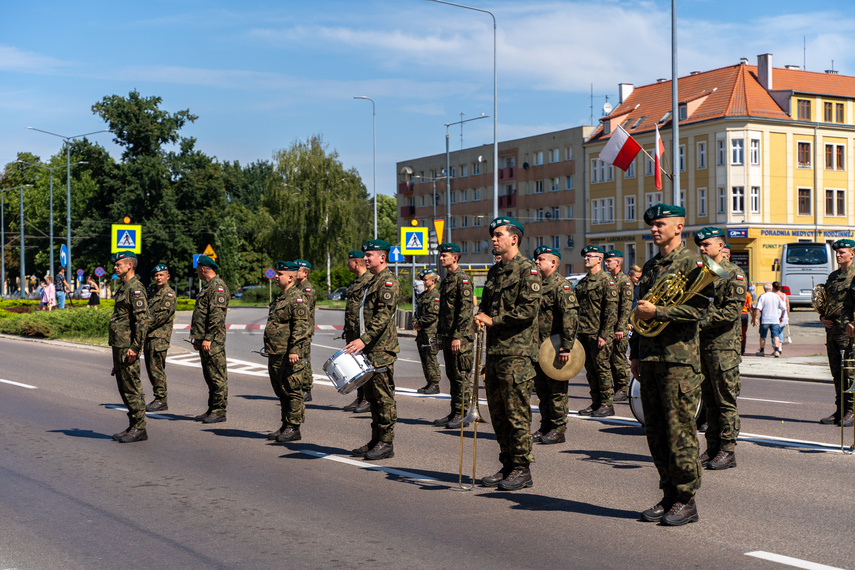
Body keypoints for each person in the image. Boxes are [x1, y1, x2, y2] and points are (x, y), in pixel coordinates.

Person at [630, 204, 710, 526]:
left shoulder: (692, 263)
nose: (654, 229)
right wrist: (635, 352)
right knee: (656, 433)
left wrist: (660, 313)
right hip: (650, 358)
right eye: (652, 225)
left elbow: (699, 312)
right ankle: (668, 495)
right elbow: (638, 312)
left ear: (679, 227)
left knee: (680, 433)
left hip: (678, 362)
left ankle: (687, 499)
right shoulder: (650, 266)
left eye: (661, 224)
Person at [475, 217, 541, 491]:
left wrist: (493, 321)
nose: (493, 239)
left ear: (514, 238)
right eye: (492, 235)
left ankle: (522, 469)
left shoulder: (528, 270)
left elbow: (528, 311)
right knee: (499, 414)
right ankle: (507, 465)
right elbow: (486, 306)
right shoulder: (494, 273)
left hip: (517, 355)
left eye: (499, 234)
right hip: (495, 354)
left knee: (517, 415)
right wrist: (480, 317)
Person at [694, 227, 747, 471]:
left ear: (720, 246)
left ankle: (728, 450)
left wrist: (697, 321)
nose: (702, 248)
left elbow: (731, 312)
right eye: (700, 245)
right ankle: (713, 447)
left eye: (706, 244)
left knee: (725, 401)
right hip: (704, 347)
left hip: (724, 349)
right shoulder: (701, 273)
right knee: (709, 402)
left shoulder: (734, 275)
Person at [344, 240, 400, 460]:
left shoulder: (388, 281)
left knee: (383, 397)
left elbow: (383, 316)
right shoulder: (373, 281)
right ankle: (376, 439)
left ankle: (386, 443)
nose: (365, 259)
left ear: (382, 257)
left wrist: (363, 340)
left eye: (369, 255)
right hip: (368, 349)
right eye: (365, 256)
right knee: (372, 398)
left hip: (380, 349)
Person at [531, 245, 578, 445]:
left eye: (541, 259)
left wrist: (566, 347)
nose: (536, 262)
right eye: (536, 258)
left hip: (555, 346)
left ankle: (558, 429)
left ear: (553, 263)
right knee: (542, 391)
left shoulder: (561, 286)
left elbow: (570, 317)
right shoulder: (536, 285)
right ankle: (545, 426)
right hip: (539, 347)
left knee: (557, 390)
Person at [264, 261, 311, 442]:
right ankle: (285, 425)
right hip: (276, 351)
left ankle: (294, 427)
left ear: (291, 277)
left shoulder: (297, 298)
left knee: (292, 390)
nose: (276, 277)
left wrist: (295, 350)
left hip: (289, 354)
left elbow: (301, 326)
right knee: (281, 390)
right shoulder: (280, 297)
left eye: (280, 274)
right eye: (276, 274)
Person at [108, 252, 151, 443]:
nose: (115, 268)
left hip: (127, 346)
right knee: (124, 386)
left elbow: (142, 321)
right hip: (119, 345)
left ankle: (140, 428)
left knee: (132, 386)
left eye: (118, 265)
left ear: (129, 266)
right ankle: (133, 424)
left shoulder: (135, 289)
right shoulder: (124, 287)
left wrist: (135, 347)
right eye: (115, 265)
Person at [434, 242, 475, 429]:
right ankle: (454, 411)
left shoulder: (463, 279)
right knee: (452, 375)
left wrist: (458, 335)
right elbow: (443, 312)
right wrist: (441, 337)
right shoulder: (446, 280)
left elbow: (466, 310)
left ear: (455, 258)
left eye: (445, 256)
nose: (441, 258)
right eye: (441, 255)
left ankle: (463, 414)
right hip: (448, 336)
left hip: (461, 338)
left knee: (461, 376)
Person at [574, 245, 618, 417]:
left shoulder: (606, 281)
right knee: (590, 370)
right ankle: (596, 403)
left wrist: (604, 334)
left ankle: (607, 404)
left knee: (602, 369)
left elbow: (611, 311)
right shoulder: (583, 282)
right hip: (584, 332)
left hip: (598, 333)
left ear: (599, 259)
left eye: (590, 256)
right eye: (585, 256)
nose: (586, 258)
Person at [190, 254, 230, 423]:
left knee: (217, 376)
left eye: (198, 268)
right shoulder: (208, 287)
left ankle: (219, 410)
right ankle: (212, 408)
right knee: (209, 375)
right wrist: (198, 338)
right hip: (205, 340)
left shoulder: (218, 287)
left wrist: (208, 338)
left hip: (213, 341)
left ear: (203, 269)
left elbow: (216, 316)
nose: (197, 271)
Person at [820, 239, 855, 427]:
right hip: (832, 331)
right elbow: (826, 302)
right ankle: (840, 410)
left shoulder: (854, 276)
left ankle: (851, 411)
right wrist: (822, 318)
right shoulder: (833, 276)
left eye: (842, 252)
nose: (838, 255)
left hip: (848, 332)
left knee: (849, 372)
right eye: (837, 252)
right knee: (836, 373)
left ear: (852, 254)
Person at [342, 250, 374, 413]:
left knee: (364, 364)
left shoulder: (369, 280)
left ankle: (368, 399)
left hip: (363, 331)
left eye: (349, 262)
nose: (347, 265)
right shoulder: (356, 281)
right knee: (356, 366)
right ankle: (360, 397)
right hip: (353, 330)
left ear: (356, 263)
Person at [143, 263, 176, 413]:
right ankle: (158, 397)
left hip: (159, 338)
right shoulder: (153, 293)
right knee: (151, 368)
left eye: (161, 275)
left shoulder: (168, 294)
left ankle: (161, 399)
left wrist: (141, 327)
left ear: (167, 276)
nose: (158, 278)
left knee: (157, 369)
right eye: (156, 275)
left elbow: (160, 317)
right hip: (150, 337)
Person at [605, 250, 633, 402]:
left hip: (619, 328)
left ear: (618, 262)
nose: (606, 263)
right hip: (610, 327)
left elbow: (625, 307)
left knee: (619, 358)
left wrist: (621, 328)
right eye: (606, 261)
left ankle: (622, 388)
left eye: (609, 261)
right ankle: (616, 387)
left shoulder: (624, 282)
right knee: (610, 358)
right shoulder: (610, 280)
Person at [413, 268, 441, 396]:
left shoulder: (436, 295)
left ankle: (435, 383)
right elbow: (417, 311)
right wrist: (414, 321)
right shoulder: (424, 295)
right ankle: (429, 382)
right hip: (422, 333)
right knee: (424, 358)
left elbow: (432, 315)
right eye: (423, 280)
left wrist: (419, 324)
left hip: (431, 332)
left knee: (430, 358)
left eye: (425, 280)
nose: (423, 282)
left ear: (433, 281)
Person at [295, 260, 316, 402]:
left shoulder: (307, 289)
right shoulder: (298, 287)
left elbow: (304, 310)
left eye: (297, 270)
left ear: (305, 273)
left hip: (304, 330)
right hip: (299, 330)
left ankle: (307, 390)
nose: (294, 272)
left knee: (304, 359)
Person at [752, 282, 786, 357]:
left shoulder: (762, 296)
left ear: (764, 288)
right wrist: (781, 317)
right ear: (771, 288)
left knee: (763, 336)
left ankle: (762, 351)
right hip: (775, 320)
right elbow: (784, 308)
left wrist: (755, 318)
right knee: (776, 335)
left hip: (765, 319)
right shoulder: (776, 296)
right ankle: (777, 350)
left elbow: (758, 308)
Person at [772, 281, 791, 353]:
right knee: (780, 331)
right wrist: (788, 315)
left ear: (773, 287)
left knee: (774, 332)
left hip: (776, 315)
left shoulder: (773, 295)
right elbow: (787, 306)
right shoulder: (784, 295)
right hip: (784, 315)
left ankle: (776, 348)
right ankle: (780, 347)